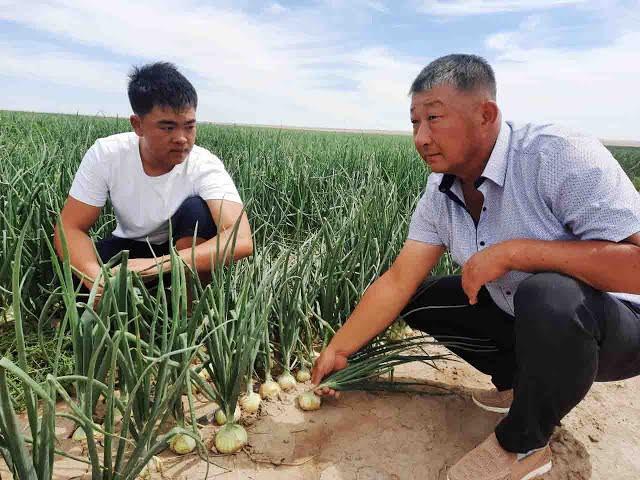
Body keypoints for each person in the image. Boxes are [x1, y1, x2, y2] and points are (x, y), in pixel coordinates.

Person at [311, 54, 640, 480]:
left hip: (615, 325)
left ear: (486, 114)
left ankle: (523, 443)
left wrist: (516, 252)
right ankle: (523, 388)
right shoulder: (440, 192)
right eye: (415, 122)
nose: (421, 137)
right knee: (424, 299)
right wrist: (339, 350)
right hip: (529, 320)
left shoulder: (555, 154)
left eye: (434, 118)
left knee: (546, 293)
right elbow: (397, 280)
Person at [54, 62, 252, 291]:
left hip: (183, 258)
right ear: (137, 125)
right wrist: (94, 280)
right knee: (74, 279)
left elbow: (242, 240)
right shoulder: (107, 153)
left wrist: (157, 266)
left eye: (189, 126)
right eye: (167, 128)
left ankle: (188, 308)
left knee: (197, 211)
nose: (181, 138)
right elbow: (70, 227)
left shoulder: (204, 164)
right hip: (128, 250)